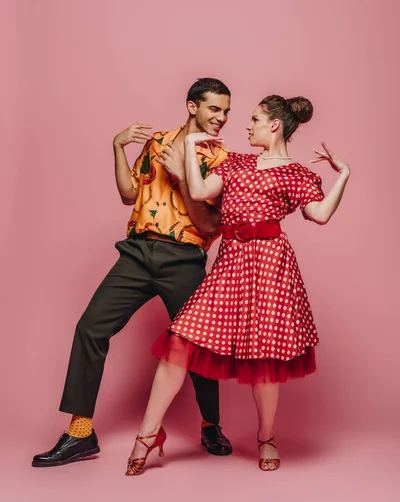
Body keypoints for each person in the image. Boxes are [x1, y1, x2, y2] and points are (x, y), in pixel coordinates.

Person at [125, 94, 350, 475]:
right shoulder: (236, 162)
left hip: (271, 266)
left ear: (274, 125)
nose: (245, 126)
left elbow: (320, 214)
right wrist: (194, 143)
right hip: (231, 261)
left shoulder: (296, 174)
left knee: (265, 355)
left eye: (254, 119)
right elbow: (197, 192)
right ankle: (147, 435)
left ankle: (266, 438)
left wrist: (343, 174)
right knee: (180, 341)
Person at [32, 78, 233, 467]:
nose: (222, 118)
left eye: (226, 110)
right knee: (90, 328)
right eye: (214, 109)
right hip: (138, 252)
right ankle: (79, 433)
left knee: (199, 345)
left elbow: (210, 225)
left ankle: (210, 423)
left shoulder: (222, 159)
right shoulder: (157, 142)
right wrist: (117, 146)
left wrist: (182, 178)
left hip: (184, 258)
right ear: (192, 106)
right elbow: (129, 194)